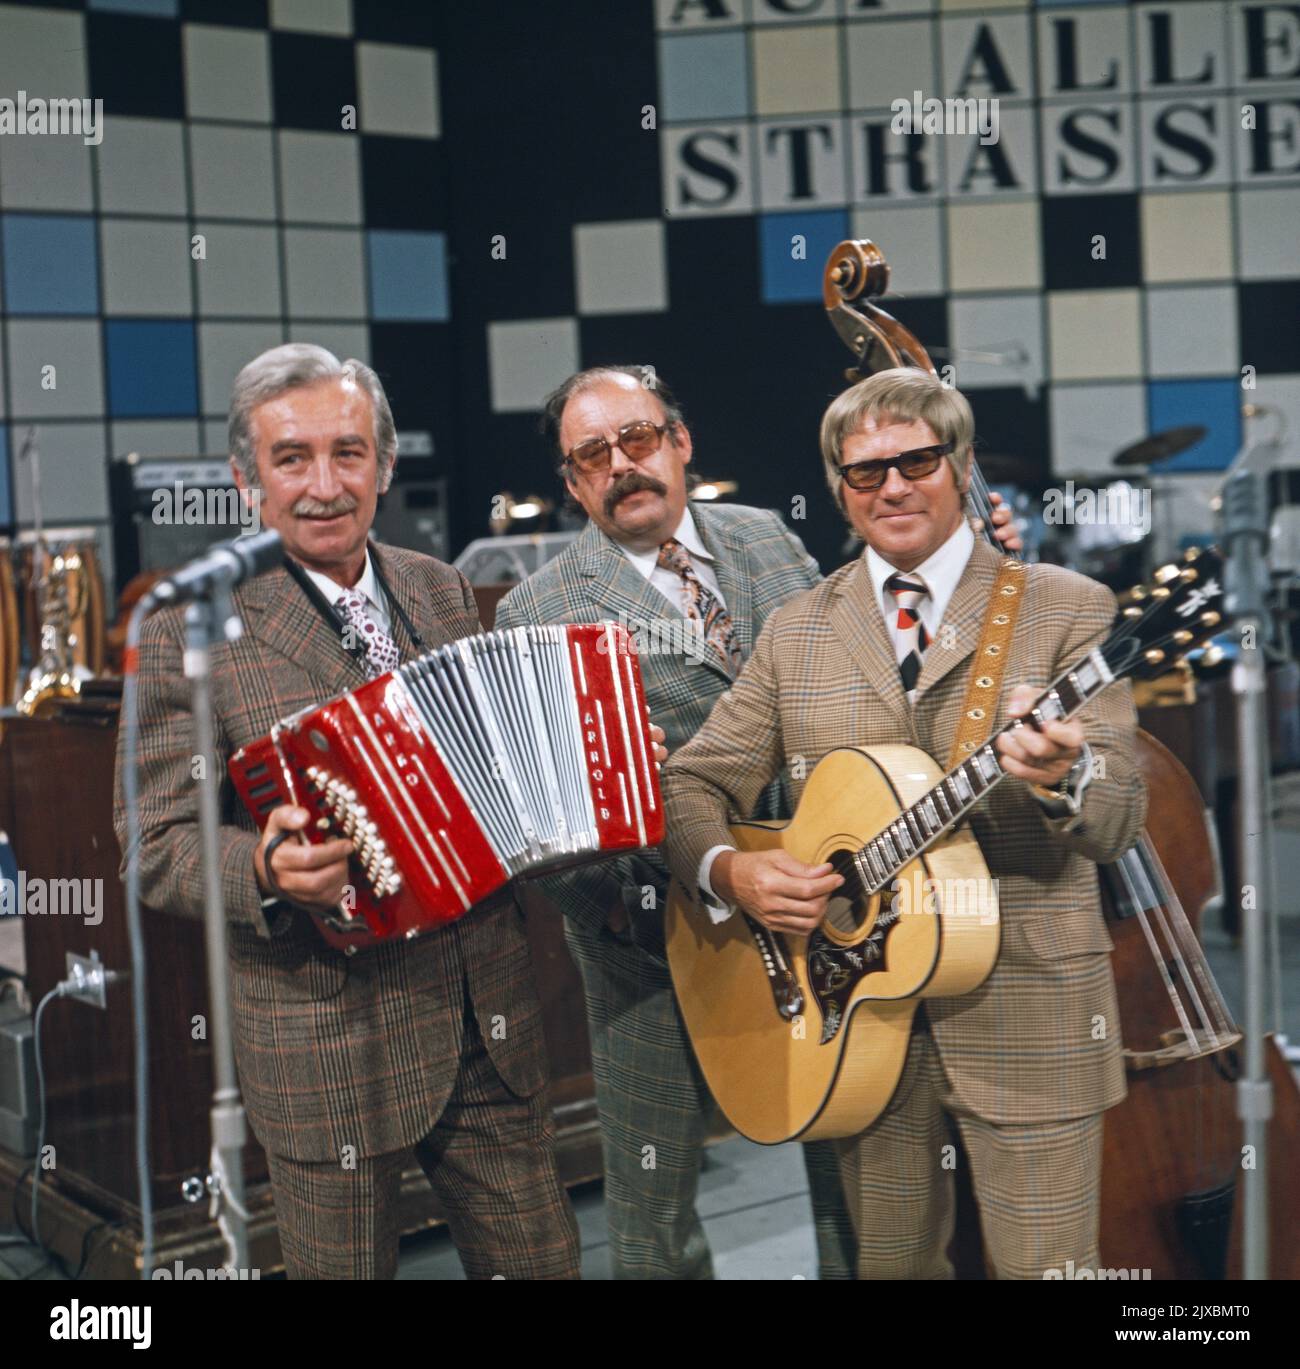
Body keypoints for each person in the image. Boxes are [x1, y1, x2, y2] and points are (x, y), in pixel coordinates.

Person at [495, 364, 1022, 1278]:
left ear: (680, 443)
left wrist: (963, 566)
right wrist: (643, 886)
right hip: (653, 946)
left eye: (639, 439)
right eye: (593, 455)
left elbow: (855, 658)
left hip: (829, 903)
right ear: (573, 482)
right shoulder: (534, 612)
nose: (623, 465)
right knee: (653, 1211)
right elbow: (539, 823)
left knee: (849, 1156)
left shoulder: (767, 538)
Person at [662, 366, 1146, 1280]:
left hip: (1028, 1009)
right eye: (862, 472)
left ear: (961, 465)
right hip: (856, 1026)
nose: (890, 487)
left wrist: (1065, 770)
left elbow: (1118, 810)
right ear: (840, 490)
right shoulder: (799, 630)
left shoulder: (1064, 606)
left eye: (916, 460)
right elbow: (692, 783)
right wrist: (732, 871)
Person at [114, 343, 583, 1280]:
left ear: (384, 465)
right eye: (292, 459)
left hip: (485, 1023)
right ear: (248, 482)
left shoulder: (441, 586)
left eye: (348, 452)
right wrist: (261, 868)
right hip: (328, 1048)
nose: (324, 485)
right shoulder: (186, 628)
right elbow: (152, 843)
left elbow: (497, 783)